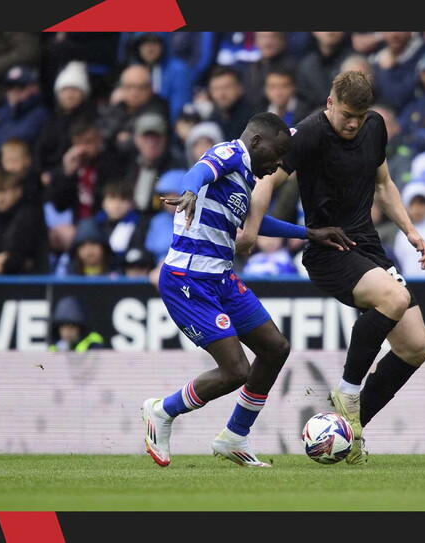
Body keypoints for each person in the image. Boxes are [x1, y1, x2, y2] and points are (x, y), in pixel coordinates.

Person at [240, 71, 425, 465]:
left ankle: (349, 429)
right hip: (328, 248)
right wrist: (252, 229)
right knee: (394, 299)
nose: (353, 123)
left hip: (368, 247)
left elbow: (384, 184)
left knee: (416, 347)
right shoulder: (308, 134)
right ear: (330, 103)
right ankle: (347, 390)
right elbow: (266, 182)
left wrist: (410, 230)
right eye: (347, 115)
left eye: (360, 117)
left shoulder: (374, 126)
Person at [141, 112, 355, 468]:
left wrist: (309, 233)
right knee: (236, 370)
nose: (280, 163)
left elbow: (255, 222)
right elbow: (200, 170)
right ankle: (162, 410)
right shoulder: (230, 154)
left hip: (220, 278)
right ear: (257, 142)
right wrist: (189, 191)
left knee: (275, 348)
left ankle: (235, 435)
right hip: (188, 280)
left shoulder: (243, 178)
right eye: (278, 153)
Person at [98, 64, 170, 155]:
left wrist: (119, 136)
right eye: (129, 87)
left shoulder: (158, 108)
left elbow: (127, 145)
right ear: (121, 88)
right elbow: (102, 136)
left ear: (150, 89)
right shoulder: (117, 106)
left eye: (140, 88)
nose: (134, 93)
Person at [0, 171, 49, 275]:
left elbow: (24, 259)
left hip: (31, 281)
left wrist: (2, 262)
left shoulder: (30, 215)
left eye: (4, 192)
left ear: (18, 192)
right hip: (0, 280)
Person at [126, 32, 194, 123]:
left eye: (155, 42)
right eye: (144, 42)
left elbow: (179, 110)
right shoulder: (134, 69)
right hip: (135, 124)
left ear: (163, 44)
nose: (149, 48)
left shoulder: (178, 70)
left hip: (165, 125)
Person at [0, 65, 51, 151]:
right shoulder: (3, 111)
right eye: (10, 87)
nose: (14, 91)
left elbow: (22, 139)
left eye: (21, 87)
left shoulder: (41, 114)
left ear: (35, 88)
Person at [370, 32, 425, 113]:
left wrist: (385, 71)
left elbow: (396, 99)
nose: (395, 35)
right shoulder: (376, 56)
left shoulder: (421, 55)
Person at [206, 66, 259, 142]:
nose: (221, 94)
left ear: (239, 88)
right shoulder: (212, 119)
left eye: (227, 87)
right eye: (216, 89)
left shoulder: (254, 119)